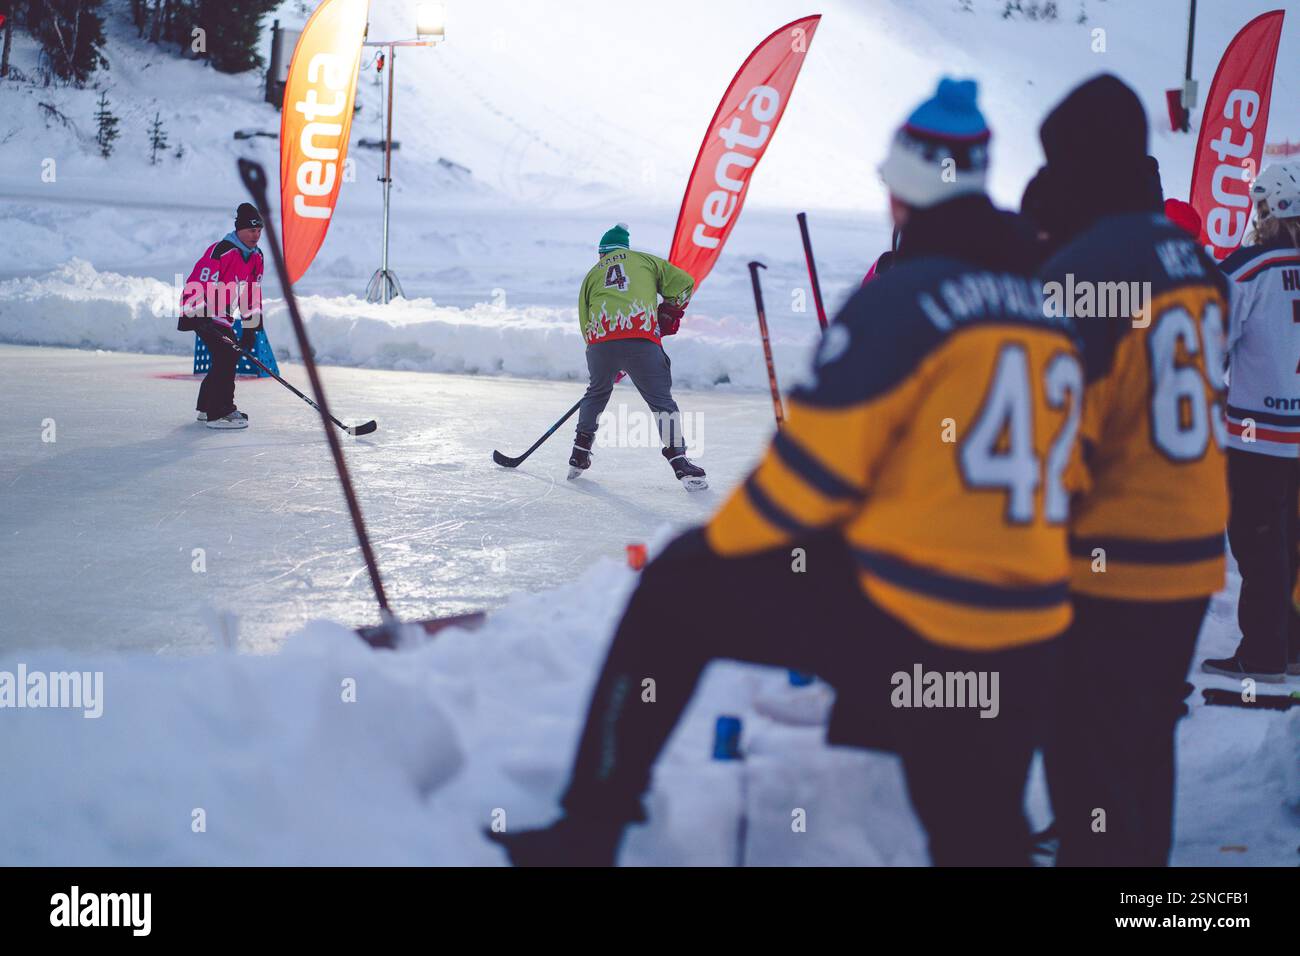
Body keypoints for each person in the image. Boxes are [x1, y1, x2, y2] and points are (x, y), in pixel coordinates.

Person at [488, 78, 1080, 867]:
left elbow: (804, 484)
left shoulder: (901, 302)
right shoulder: (1045, 308)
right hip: (1030, 629)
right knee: (979, 837)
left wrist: (717, 549)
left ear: (903, 194)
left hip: (918, 620)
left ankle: (590, 828)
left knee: (674, 589)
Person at [1033, 75, 1231, 866]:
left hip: (1109, 561)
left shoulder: (1082, 272)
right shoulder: (1188, 254)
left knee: (1090, 771)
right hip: (1189, 547)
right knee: (1146, 748)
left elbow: (1059, 444)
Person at [1204, 162, 1300, 682]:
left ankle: (1264, 654)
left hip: (1257, 433)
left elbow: (1211, 337)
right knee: (1290, 541)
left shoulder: (1250, 265)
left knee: (1257, 542)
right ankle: (1290, 646)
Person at [569, 224, 706, 490]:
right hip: (640, 339)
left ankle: (579, 453)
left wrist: (605, 361)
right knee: (661, 402)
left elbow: (585, 319)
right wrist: (669, 309)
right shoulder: (646, 260)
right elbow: (685, 284)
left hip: (601, 343)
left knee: (596, 393)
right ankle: (679, 461)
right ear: (624, 249)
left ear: (602, 253)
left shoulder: (592, 274)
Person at [177, 203, 266, 430]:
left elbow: (251, 293)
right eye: (250, 230)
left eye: (258, 231)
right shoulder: (222, 250)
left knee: (225, 357)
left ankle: (207, 408)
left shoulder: (257, 257)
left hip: (224, 316)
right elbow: (200, 280)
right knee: (227, 355)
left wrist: (251, 327)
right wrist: (197, 314)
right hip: (203, 313)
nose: (255, 235)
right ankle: (221, 411)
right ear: (239, 230)